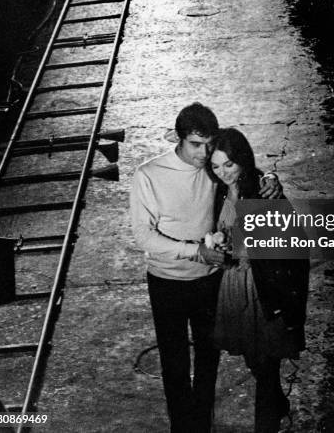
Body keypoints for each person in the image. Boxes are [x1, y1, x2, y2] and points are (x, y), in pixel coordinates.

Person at [130, 102, 281, 433]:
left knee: (208, 359)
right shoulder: (149, 175)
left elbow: (240, 169)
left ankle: (200, 424)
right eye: (195, 145)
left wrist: (270, 179)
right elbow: (143, 235)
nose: (203, 154)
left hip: (210, 281)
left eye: (208, 145)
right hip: (166, 281)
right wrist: (194, 250)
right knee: (174, 363)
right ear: (179, 139)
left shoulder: (212, 168)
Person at [209, 127, 309, 433]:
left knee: (266, 367)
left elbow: (295, 248)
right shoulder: (219, 191)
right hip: (233, 287)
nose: (223, 172)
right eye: (215, 166)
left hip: (264, 290)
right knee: (255, 361)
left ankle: (268, 420)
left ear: (242, 161)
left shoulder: (264, 193)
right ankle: (278, 401)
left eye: (229, 164)